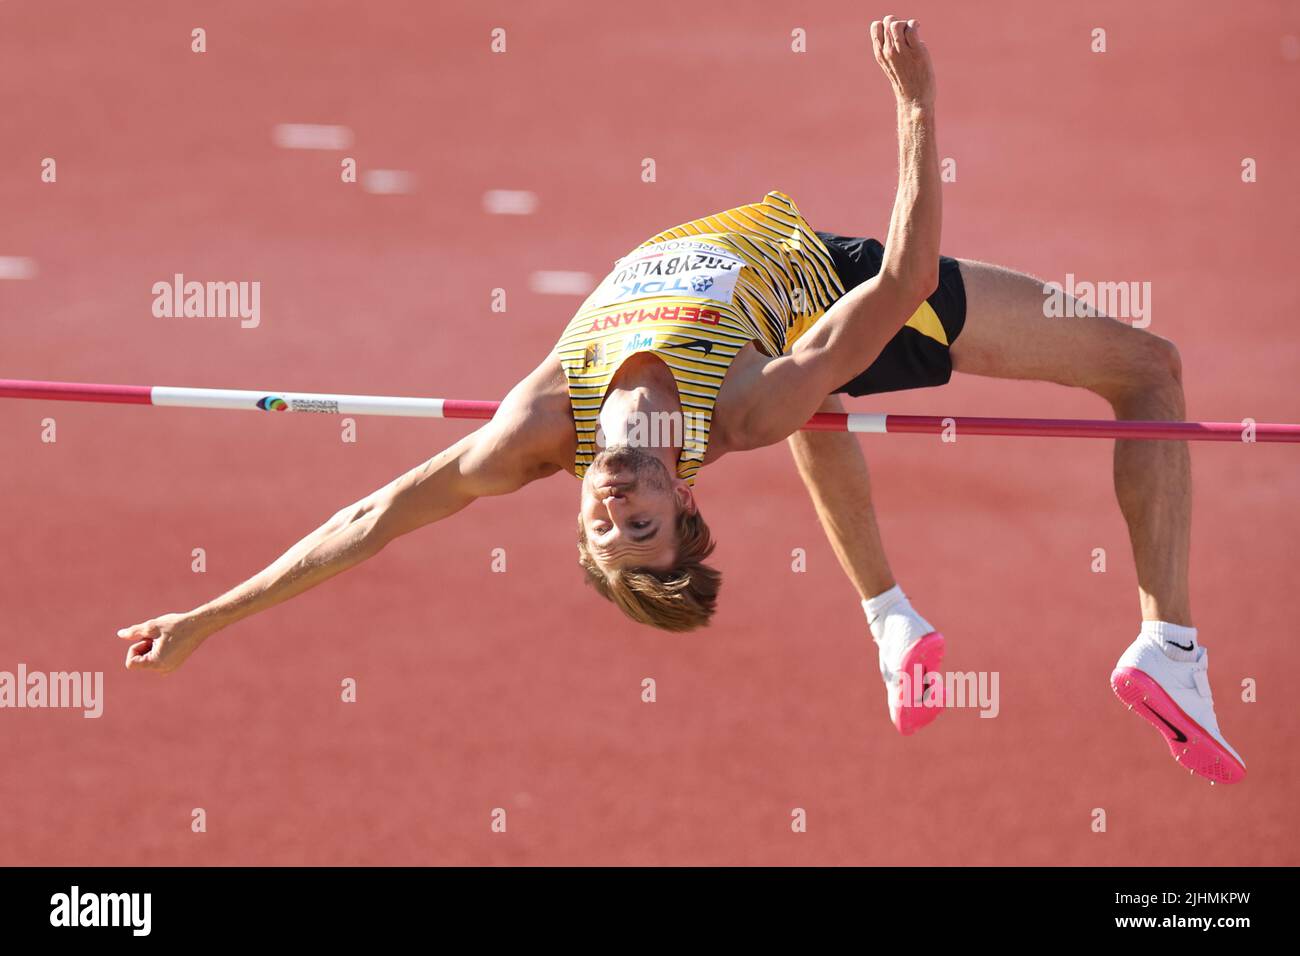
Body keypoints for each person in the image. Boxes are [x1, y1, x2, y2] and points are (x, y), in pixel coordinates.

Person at [116, 16, 1243, 783]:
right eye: (643, 526)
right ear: (685, 504)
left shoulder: (535, 427)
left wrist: (202, 621)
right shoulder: (738, 410)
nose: (616, 507)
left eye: (604, 529)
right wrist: (916, 104)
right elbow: (899, 281)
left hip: (792, 321)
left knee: (817, 395)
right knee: (1147, 367)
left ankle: (892, 618)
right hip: (848, 274)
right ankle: (1168, 643)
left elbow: (368, 522)